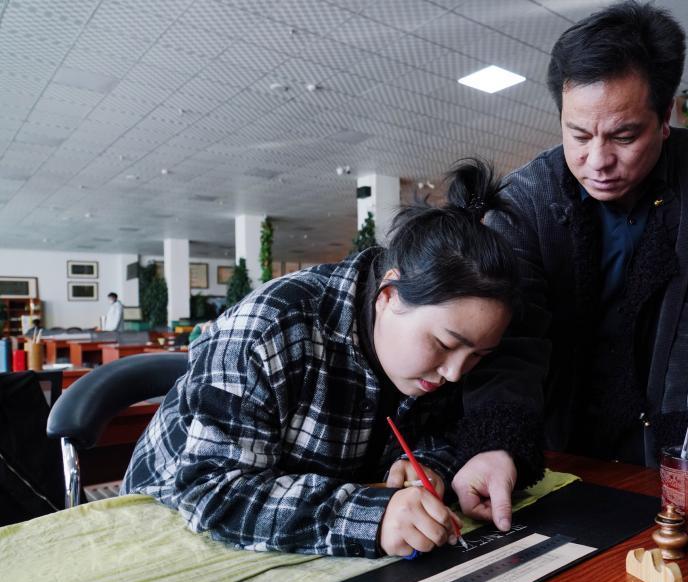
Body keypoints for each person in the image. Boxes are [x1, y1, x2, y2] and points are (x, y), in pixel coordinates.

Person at [451, 1, 688, 531]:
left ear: (665, 119)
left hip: (661, 433)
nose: (597, 161)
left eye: (623, 136)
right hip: (556, 443)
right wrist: (497, 444)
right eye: (578, 135)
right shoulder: (525, 200)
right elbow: (514, 342)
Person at [122, 159, 522, 559]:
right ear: (388, 296)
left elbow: (448, 434)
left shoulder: (435, 353)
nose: (454, 373)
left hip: (298, 538)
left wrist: (423, 465)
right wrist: (371, 518)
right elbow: (213, 491)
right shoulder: (271, 325)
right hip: (159, 528)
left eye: (476, 355)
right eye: (444, 343)